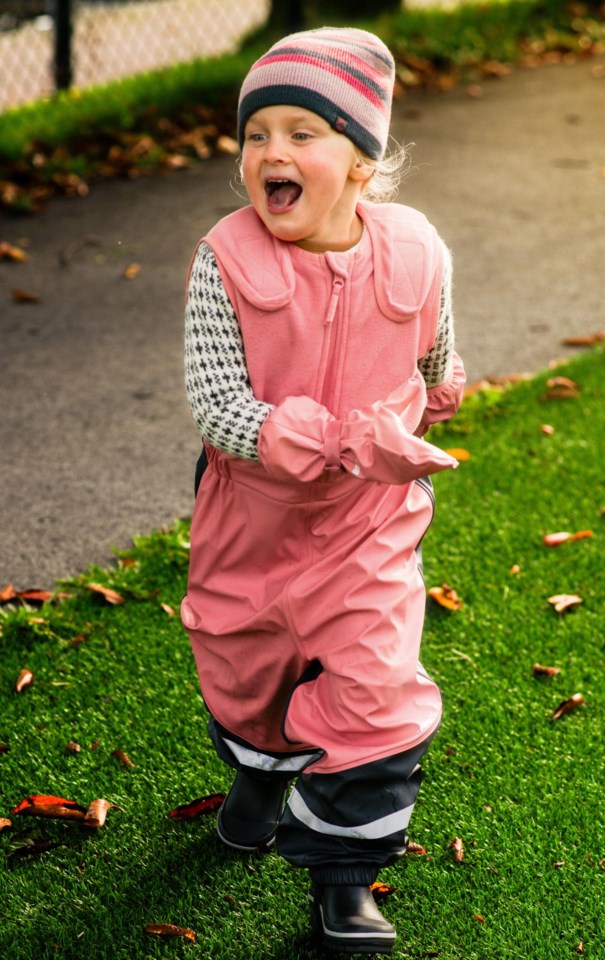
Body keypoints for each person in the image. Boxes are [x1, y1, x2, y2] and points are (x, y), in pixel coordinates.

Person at [181, 26, 465, 955]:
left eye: (303, 132)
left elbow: (433, 350)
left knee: (375, 690)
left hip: (369, 525)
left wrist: (443, 391)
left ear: (359, 160)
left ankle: (343, 890)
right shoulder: (223, 260)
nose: (272, 154)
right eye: (257, 135)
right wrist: (335, 435)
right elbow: (218, 403)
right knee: (250, 683)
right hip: (252, 524)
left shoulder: (417, 251)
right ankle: (260, 781)